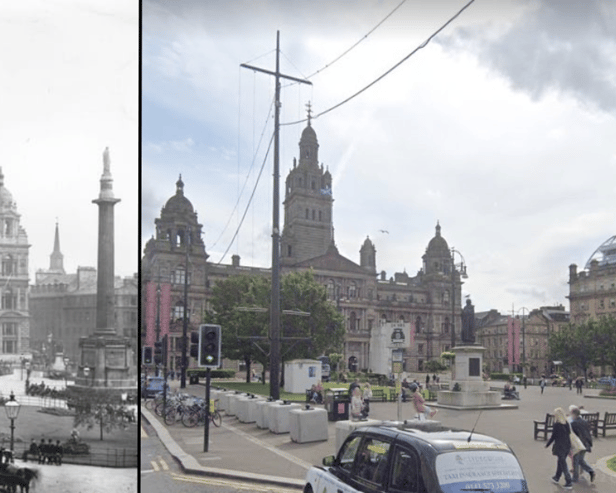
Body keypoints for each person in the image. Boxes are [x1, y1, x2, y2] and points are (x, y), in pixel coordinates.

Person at [546, 407, 573, 489]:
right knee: (560, 461)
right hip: (567, 445)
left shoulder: (557, 425)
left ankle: (568, 481)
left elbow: (553, 436)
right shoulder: (566, 423)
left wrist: (548, 444)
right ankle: (557, 477)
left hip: (560, 446)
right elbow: (569, 433)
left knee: (563, 463)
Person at [570, 407, 595, 483]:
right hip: (586, 443)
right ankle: (591, 471)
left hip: (578, 444)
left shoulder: (573, 423)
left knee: (576, 461)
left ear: (574, 414)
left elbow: (573, 435)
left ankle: (575, 478)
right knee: (580, 460)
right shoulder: (585, 422)